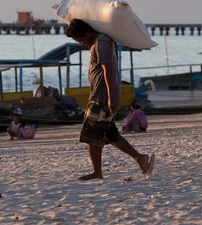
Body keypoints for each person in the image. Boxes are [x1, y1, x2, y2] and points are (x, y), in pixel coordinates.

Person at [64, 19, 155, 181]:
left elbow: (109, 71)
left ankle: (97, 172)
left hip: (102, 98)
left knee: (90, 135)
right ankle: (140, 158)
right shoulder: (100, 41)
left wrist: (112, 97)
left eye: (80, 40)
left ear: (87, 33)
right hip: (100, 96)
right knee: (110, 135)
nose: (82, 44)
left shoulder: (101, 42)